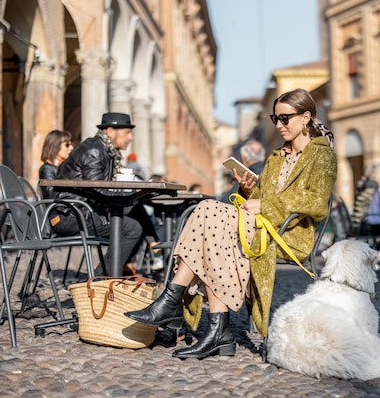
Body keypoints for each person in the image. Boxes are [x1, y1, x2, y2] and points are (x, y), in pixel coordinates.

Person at [125, 88, 336, 360]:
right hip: (258, 227)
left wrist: (267, 206)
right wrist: (248, 190)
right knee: (208, 213)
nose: (279, 125)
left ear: (306, 117)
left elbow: (317, 203)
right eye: (275, 119)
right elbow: (257, 200)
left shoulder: (322, 155)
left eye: (286, 118)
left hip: (289, 235)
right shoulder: (275, 157)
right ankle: (213, 328)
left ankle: (175, 301)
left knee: (210, 213)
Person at [51, 112, 156, 275]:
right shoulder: (94, 149)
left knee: (137, 211)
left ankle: (152, 249)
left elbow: (102, 189)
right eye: (127, 133)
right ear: (110, 131)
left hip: (85, 211)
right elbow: (97, 189)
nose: (130, 138)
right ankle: (103, 278)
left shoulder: (107, 151)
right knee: (132, 228)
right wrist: (130, 194)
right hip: (69, 215)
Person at [219, 139, 266, 203]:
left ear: (243, 157)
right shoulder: (269, 171)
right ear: (263, 157)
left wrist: (229, 188)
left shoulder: (246, 175)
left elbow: (227, 201)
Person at [351, 163, 380, 234]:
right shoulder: (372, 189)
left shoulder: (364, 186)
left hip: (358, 224)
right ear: (378, 175)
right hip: (366, 225)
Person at [38, 130, 74, 199]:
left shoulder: (65, 166)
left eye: (71, 144)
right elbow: (51, 194)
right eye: (67, 145)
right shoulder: (47, 169)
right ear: (55, 146)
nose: (71, 148)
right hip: (60, 207)